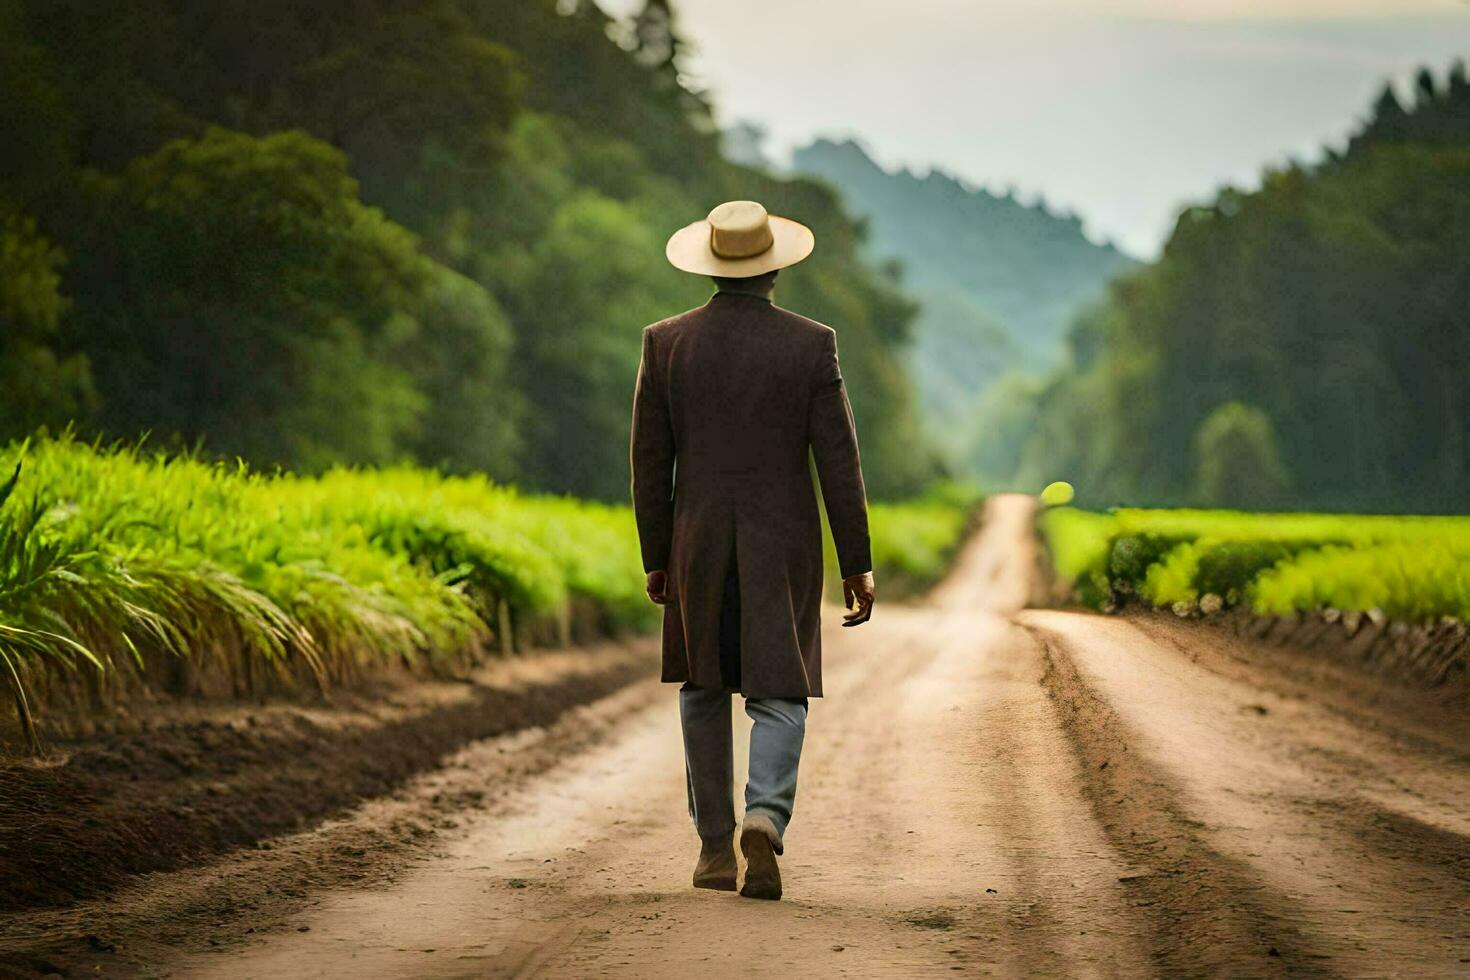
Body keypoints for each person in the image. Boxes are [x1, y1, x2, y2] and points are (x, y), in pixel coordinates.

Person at [630, 200, 876, 901]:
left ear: (711, 264)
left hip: (696, 539)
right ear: (773, 268)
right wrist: (855, 560)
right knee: (780, 690)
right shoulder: (811, 345)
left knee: (702, 687)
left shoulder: (665, 343)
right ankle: (765, 817)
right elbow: (840, 462)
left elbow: (650, 463)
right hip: (784, 541)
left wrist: (657, 555)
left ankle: (713, 848)